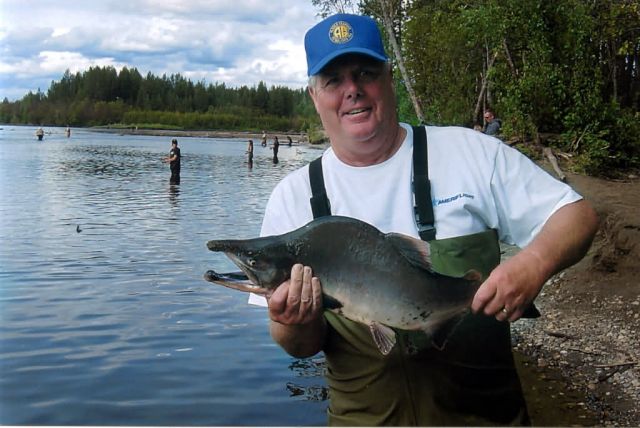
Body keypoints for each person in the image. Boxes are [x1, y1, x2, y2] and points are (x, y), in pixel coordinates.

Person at [258, 13, 598, 426]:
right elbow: (299, 347)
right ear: (315, 96)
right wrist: (291, 322)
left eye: (365, 72)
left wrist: (532, 265)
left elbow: (576, 215)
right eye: (333, 80)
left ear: (389, 77)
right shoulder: (293, 199)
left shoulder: (470, 154)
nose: (352, 90)